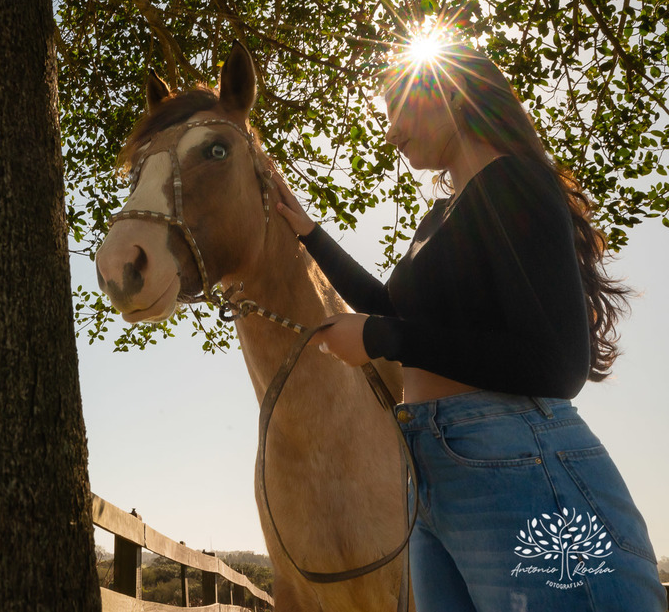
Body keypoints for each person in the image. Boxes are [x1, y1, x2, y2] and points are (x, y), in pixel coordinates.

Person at [271, 41, 664, 611]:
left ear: (448, 97)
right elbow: (392, 306)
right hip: (429, 471)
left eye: (398, 110)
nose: (390, 133)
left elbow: (558, 364)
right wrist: (309, 232)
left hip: (514, 458)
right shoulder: (440, 215)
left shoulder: (514, 184)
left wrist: (381, 339)